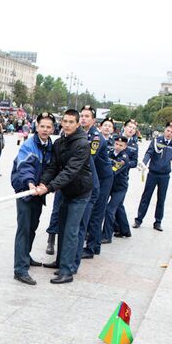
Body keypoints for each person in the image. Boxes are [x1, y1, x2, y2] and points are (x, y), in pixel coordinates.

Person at [38, 109, 93, 284]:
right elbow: (53, 167)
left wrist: (49, 188)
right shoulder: (59, 143)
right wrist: (43, 182)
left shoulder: (83, 143)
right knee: (62, 227)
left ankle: (67, 271)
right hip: (66, 190)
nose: (67, 125)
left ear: (78, 124)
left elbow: (70, 171)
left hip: (80, 192)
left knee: (71, 230)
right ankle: (61, 262)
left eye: (71, 122)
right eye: (65, 121)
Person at [10, 112, 55, 285]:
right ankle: (20, 269)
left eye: (48, 127)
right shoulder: (29, 145)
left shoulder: (50, 146)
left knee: (33, 226)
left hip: (39, 192)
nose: (44, 129)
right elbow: (24, 166)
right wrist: (29, 183)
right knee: (24, 228)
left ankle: (25, 257)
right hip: (25, 191)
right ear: (37, 127)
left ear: (52, 129)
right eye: (42, 126)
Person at [134, 121, 172, 231]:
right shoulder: (156, 141)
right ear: (164, 130)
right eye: (168, 130)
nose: (169, 133)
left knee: (161, 199)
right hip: (153, 174)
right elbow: (149, 153)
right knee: (146, 197)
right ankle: (138, 219)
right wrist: (144, 163)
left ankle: (158, 222)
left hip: (165, 176)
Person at [80, 105, 112, 260]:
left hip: (103, 178)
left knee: (96, 213)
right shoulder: (81, 133)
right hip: (93, 176)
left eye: (87, 116)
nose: (83, 118)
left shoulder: (96, 137)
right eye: (82, 116)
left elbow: (89, 157)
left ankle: (92, 248)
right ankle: (95, 245)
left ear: (93, 120)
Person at [107, 119, 139, 239]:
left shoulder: (134, 146)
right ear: (124, 127)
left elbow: (134, 162)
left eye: (133, 128)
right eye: (129, 127)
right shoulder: (115, 139)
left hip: (121, 178)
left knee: (116, 205)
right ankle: (122, 229)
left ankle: (121, 229)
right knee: (117, 205)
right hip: (110, 177)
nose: (131, 129)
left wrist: (123, 164)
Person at [103, 135, 137, 244]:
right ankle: (125, 231)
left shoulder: (124, 158)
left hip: (120, 188)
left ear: (125, 146)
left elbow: (112, 171)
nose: (118, 146)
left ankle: (107, 236)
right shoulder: (110, 153)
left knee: (109, 210)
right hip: (110, 186)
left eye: (121, 145)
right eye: (116, 144)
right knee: (119, 208)